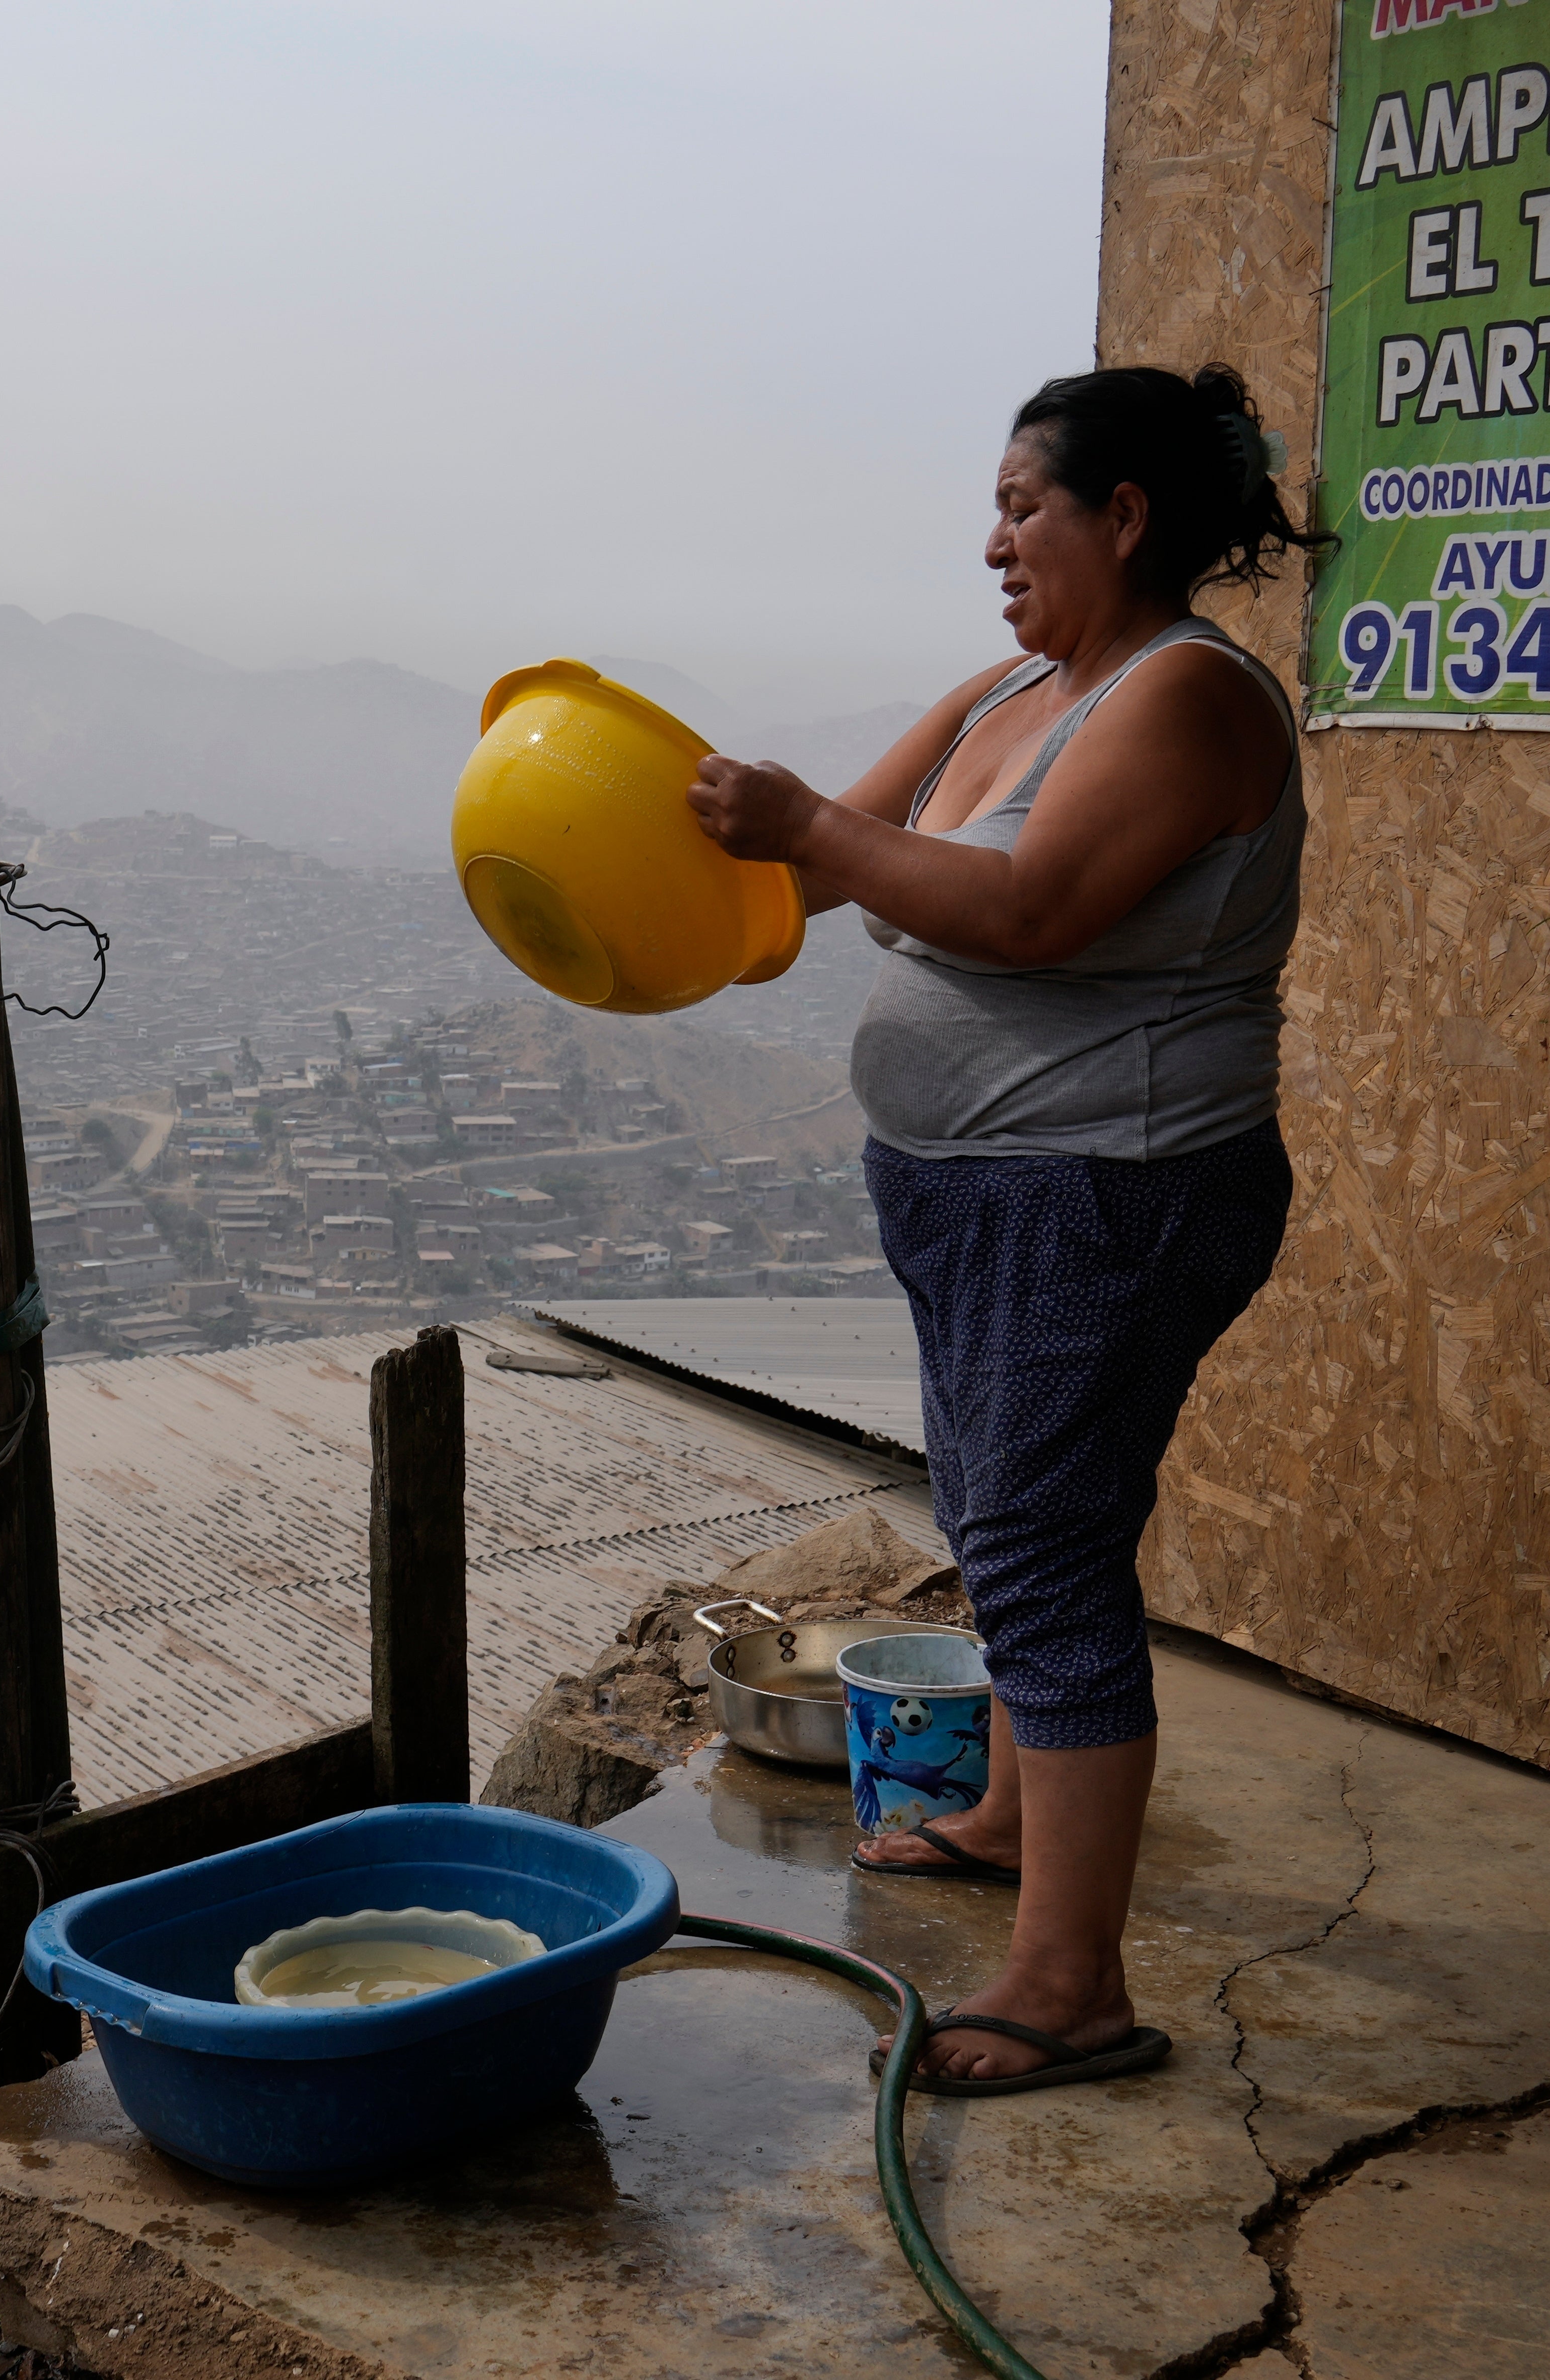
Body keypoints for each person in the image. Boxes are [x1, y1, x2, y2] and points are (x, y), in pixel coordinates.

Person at [681, 364, 1326, 2094]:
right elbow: (827, 863)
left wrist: (809, 821)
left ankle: (1072, 1987)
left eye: (1023, 508)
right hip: (981, 1192)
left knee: (1041, 1547)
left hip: (1105, 1193)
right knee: (1005, 1517)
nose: (994, 544)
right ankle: (1016, 1820)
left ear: (1125, 517)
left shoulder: (1189, 697)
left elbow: (1031, 911)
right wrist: (681, 832)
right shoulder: (1015, 690)